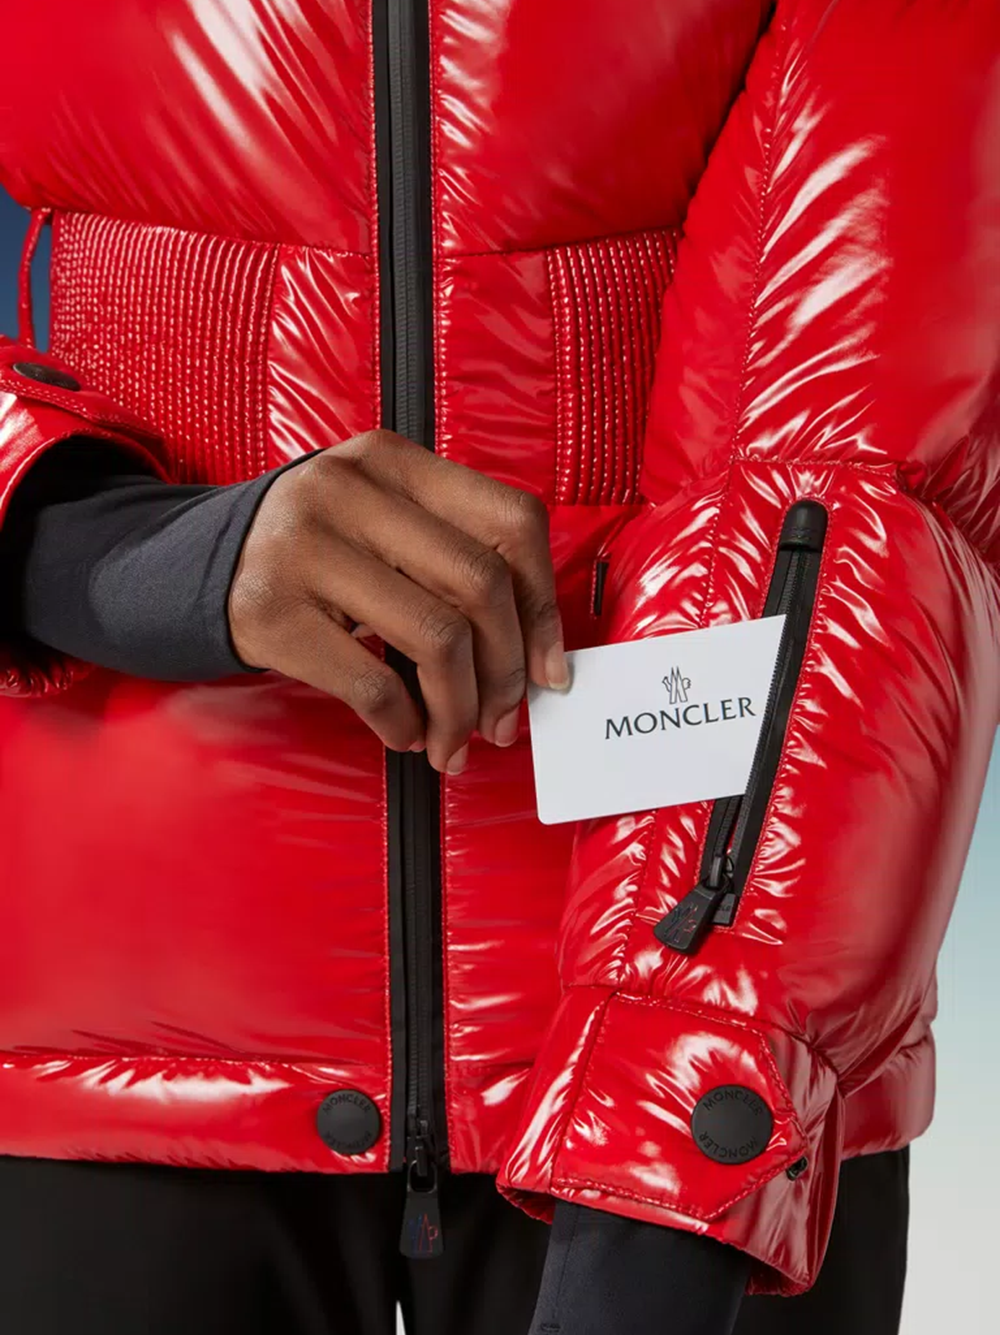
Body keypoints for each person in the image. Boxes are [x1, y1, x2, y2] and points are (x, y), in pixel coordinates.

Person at [0, 1, 995, 1332]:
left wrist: (672, 1146)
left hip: (704, 1058)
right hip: (112, 1029)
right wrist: (104, 551)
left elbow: (858, 461)